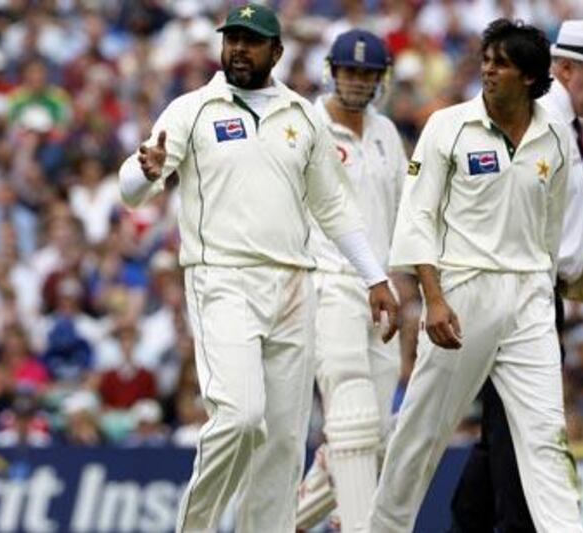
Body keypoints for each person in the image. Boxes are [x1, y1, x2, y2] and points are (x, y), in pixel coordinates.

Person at [117, 4, 399, 533]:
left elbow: (333, 208)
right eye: (233, 40)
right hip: (221, 277)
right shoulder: (192, 110)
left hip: (295, 283)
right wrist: (143, 171)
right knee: (242, 416)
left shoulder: (300, 116)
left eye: (252, 41)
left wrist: (375, 277)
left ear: (277, 51)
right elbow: (134, 190)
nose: (239, 49)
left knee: (285, 441)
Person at [368, 19, 583, 532]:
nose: (488, 69)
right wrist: (434, 298)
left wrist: (544, 296)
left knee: (546, 436)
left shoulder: (555, 136)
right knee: (421, 432)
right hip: (462, 292)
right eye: (487, 59)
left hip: (529, 295)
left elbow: (549, 232)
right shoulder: (448, 126)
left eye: (502, 63)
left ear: (530, 78)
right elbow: (417, 215)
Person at [450, 20, 583, 532]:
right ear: (565, 68)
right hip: (523, 295)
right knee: (525, 434)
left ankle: (465, 524)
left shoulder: (561, 123)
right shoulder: (543, 124)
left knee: (503, 431)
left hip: (535, 291)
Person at [293, 29, 413, 533]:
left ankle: (281, 521)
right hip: (329, 283)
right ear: (332, 71)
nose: (359, 82)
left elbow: (407, 213)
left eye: (368, 73)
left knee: (376, 435)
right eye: (350, 71)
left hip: (382, 294)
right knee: (353, 416)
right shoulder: (305, 127)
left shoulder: (386, 133)